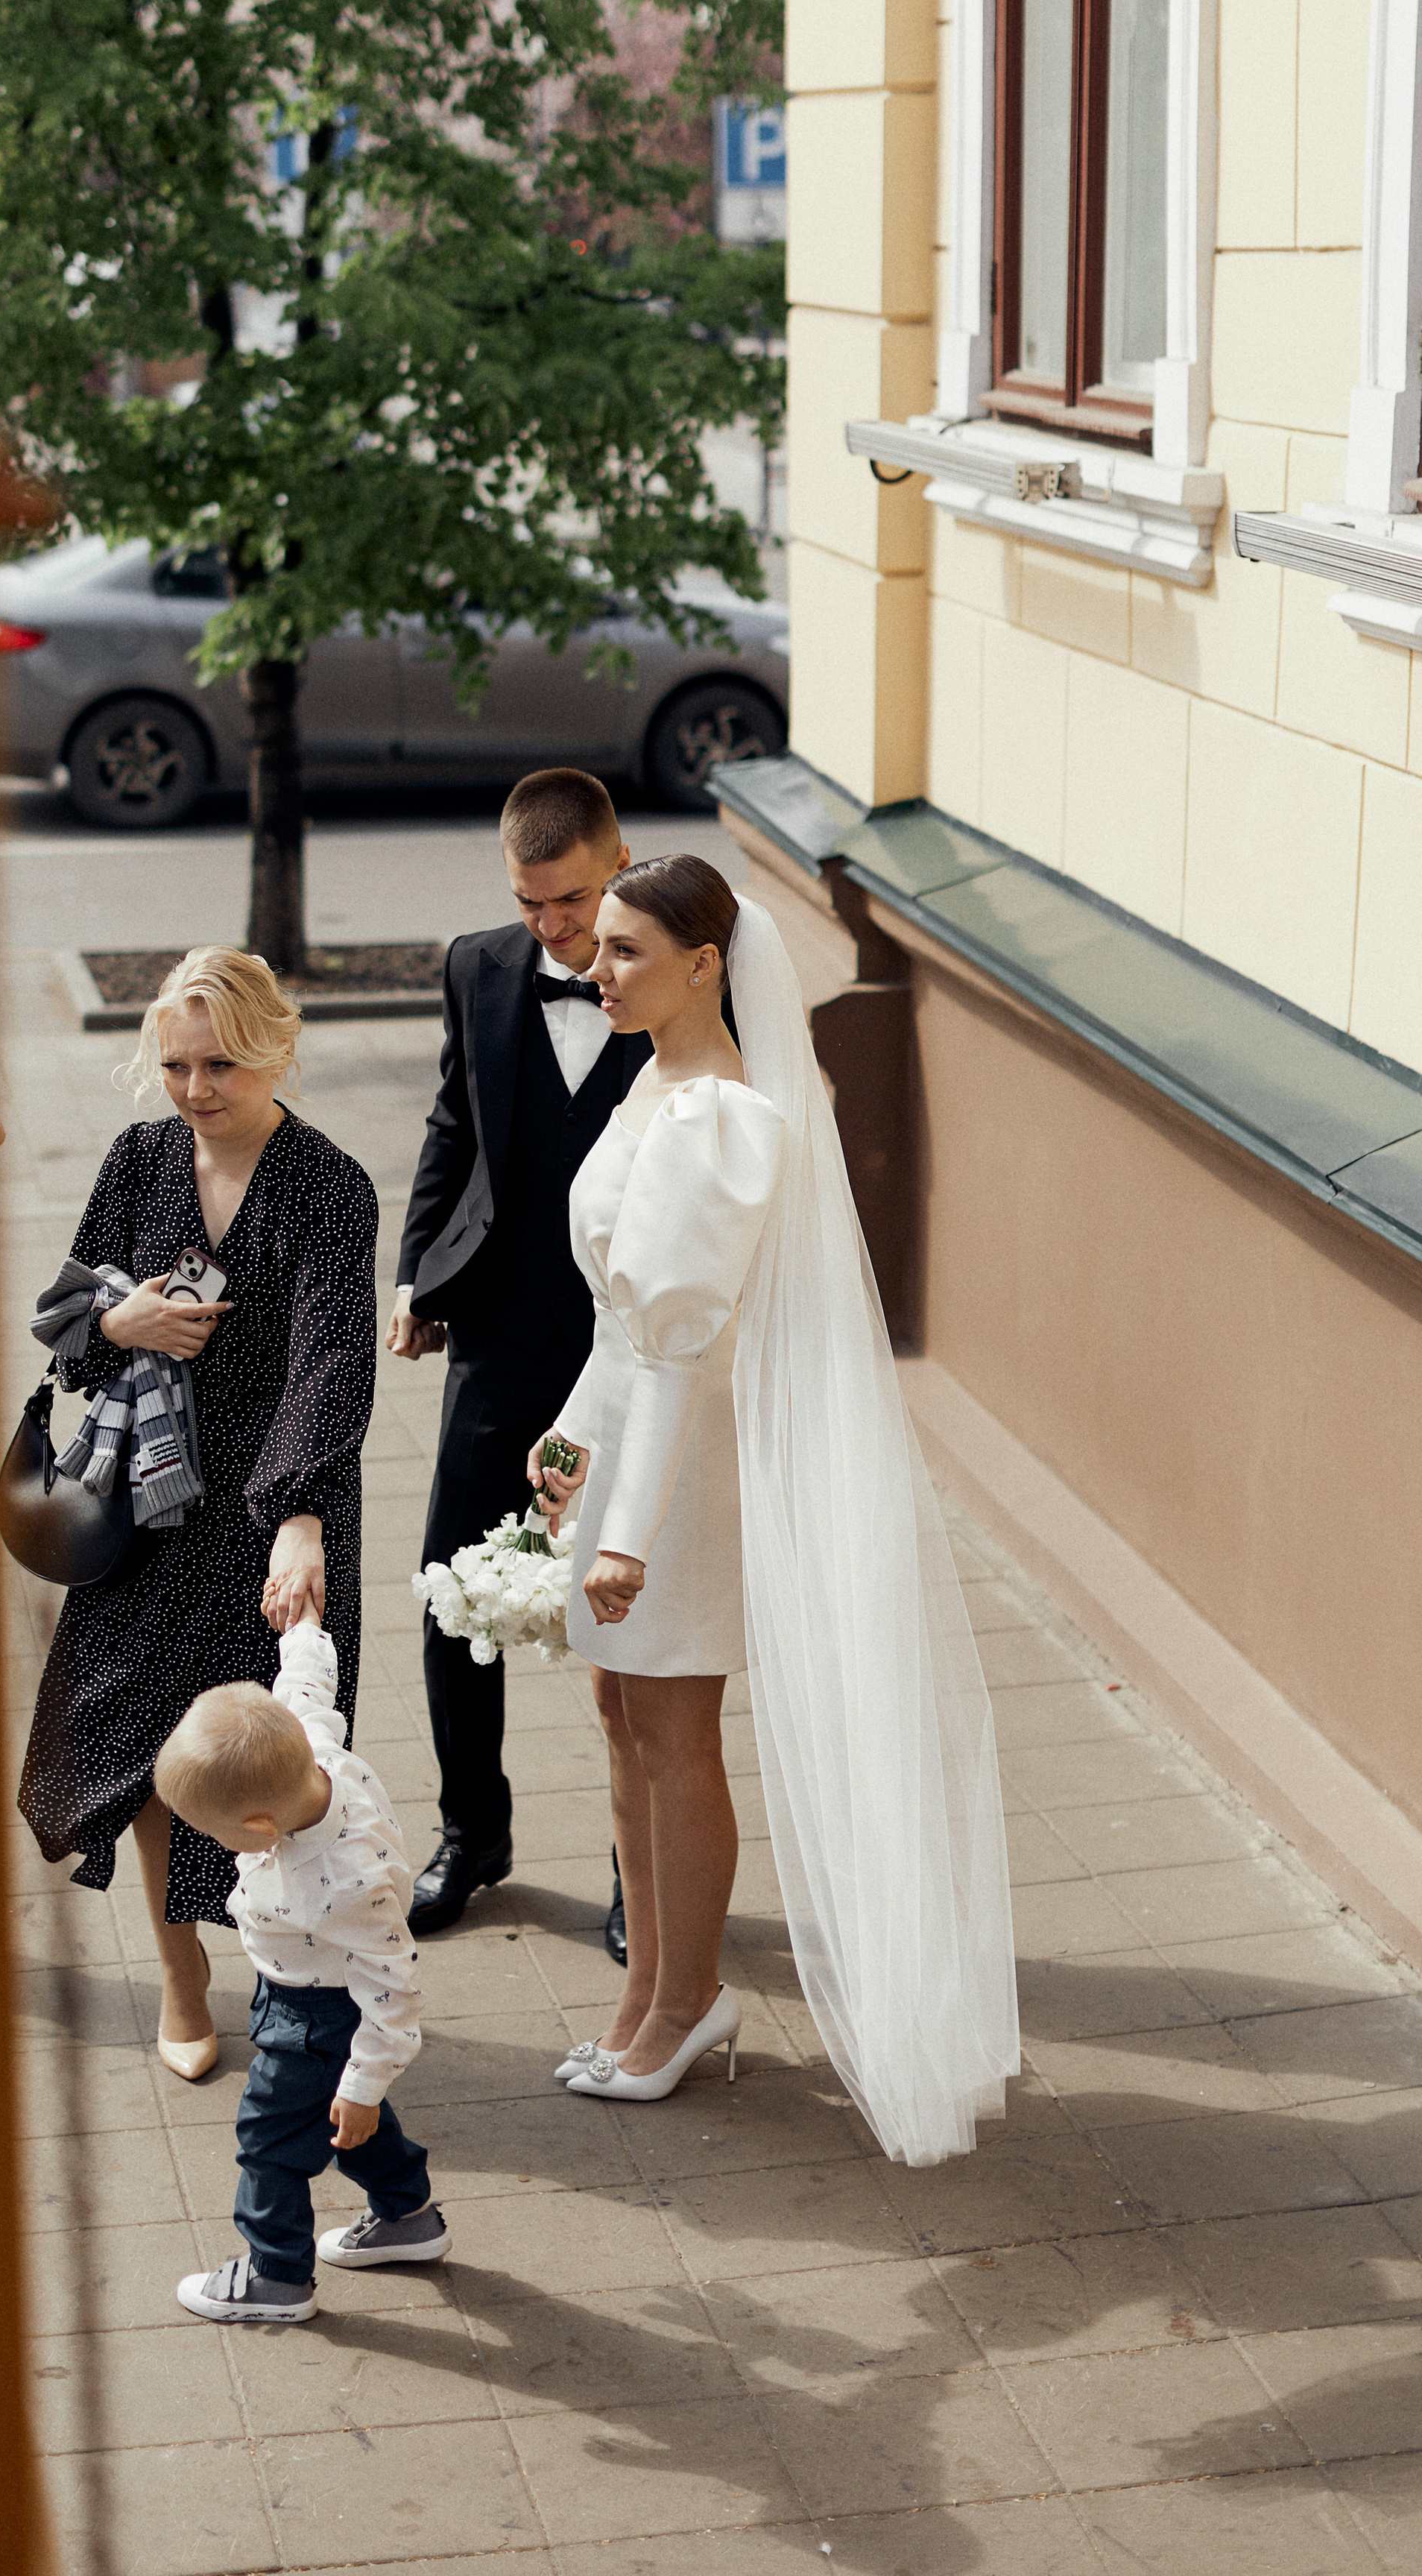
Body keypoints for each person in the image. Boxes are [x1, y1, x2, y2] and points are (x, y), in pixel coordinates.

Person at [529, 856, 1020, 2164]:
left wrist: (628, 1525)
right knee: (623, 1717)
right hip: (636, 1444)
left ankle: (688, 2001)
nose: (599, 969)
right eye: (602, 948)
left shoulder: (723, 1120)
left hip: (689, 1470)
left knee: (676, 1728)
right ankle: (645, 1995)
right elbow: (627, 1319)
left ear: (707, 965)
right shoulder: (653, 1082)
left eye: (627, 951)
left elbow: (688, 1345)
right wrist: (572, 1438)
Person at [17, 947, 379, 2083]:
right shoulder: (139, 1160)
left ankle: (290, 1983)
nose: (195, 1087)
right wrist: (120, 1329)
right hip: (147, 1510)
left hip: (275, 1512)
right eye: (175, 1064)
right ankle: (184, 1982)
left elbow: (330, 1365)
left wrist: (300, 1515)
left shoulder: (330, 1185)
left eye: (220, 1062)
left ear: (276, 1046)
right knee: (136, 1750)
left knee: (271, 1771)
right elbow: (71, 1310)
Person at [389, 769, 650, 1944]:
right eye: (531, 904)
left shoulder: (696, 969)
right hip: (498, 1328)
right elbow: (456, 1125)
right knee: (452, 1590)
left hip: (634, 1350)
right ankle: (472, 1833)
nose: (553, 927)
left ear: (620, 859)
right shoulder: (477, 967)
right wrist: (416, 1274)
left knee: (635, 1611)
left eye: (573, 900)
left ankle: (636, 1869)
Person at [157, 1610, 449, 2325]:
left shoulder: (345, 1880)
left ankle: (276, 2277)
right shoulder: (308, 1748)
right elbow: (309, 1683)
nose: (214, 1844)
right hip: (296, 1993)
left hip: (317, 2018)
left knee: (270, 2142)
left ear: (258, 1826)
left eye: (212, 1833)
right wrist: (302, 1620)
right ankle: (409, 2219)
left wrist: (365, 2079)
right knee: (347, 2123)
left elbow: (393, 1986)